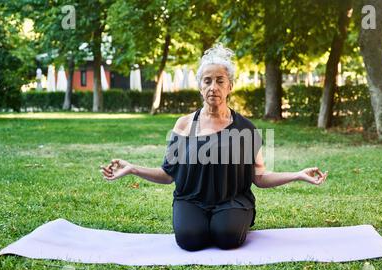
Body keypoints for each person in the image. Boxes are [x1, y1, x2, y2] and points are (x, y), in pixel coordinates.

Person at [100, 44, 328, 251]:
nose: (213, 87)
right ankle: (203, 223)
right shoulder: (184, 124)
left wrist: (298, 175)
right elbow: (168, 175)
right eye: (207, 81)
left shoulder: (246, 128)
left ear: (230, 86)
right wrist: (132, 169)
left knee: (227, 237)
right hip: (190, 199)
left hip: (232, 200)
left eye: (220, 80)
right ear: (200, 87)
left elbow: (260, 177)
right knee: (190, 240)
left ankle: (230, 220)